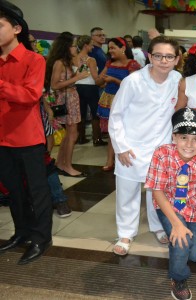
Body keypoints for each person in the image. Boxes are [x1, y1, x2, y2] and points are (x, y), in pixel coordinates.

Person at [109, 36, 182, 256]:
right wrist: (120, 147)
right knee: (127, 192)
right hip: (131, 147)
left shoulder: (177, 79)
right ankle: (125, 233)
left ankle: (158, 226)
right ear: (150, 56)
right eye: (158, 55)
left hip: (161, 148)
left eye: (169, 56)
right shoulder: (133, 81)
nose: (163, 61)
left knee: (157, 192)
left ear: (177, 59)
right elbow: (116, 115)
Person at [145, 108, 196, 300]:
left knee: (195, 255)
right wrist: (177, 225)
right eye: (184, 137)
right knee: (181, 241)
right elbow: (157, 190)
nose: (189, 144)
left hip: (195, 208)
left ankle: (181, 252)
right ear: (174, 137)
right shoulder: (162, 154)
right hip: (168, 205)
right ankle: (178, 278)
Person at [0, 0, 53, 265]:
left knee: (37, 190)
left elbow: (31, 95)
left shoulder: (34, 59)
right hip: (1, 137)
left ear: (17, 28)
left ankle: (41, 237)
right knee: (12, 190)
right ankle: (21, 232)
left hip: (27, 137)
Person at [45, 32, 90, 177]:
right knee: (72, 134)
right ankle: (67, 166)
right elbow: (55, 84)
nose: (75, 48)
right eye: (73, 45)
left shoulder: (69, 61)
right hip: (66, 98)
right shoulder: (59, 62)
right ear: (66, 46)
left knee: (70, 134)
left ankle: (61, 163)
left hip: (72, 96)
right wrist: (77, 78)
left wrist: (78, 74)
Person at [97, 37, 141, 171]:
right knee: (112, 132)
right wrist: (102, 79)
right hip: (108, 100)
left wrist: (114, 80)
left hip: (125, 101)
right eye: (109, 48)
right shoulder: (109, 63)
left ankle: (125, 158)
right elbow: (98, 82)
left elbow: (135, 87)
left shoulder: (132, 64)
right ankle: (110, 160)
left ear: (122, 48)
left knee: (125, 131)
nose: (110, 51)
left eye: (113, 48)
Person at [74, 35, 107, 146]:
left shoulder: (73, 58)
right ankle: (97, 139)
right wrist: (103, 80)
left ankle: (81, 137)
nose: (92, 47)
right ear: (85, 45)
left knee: (81, 113)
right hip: (90, 88)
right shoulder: (91, 60)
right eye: (91, 45)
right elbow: (95, 77)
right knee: (95, 113)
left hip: (77, 87)